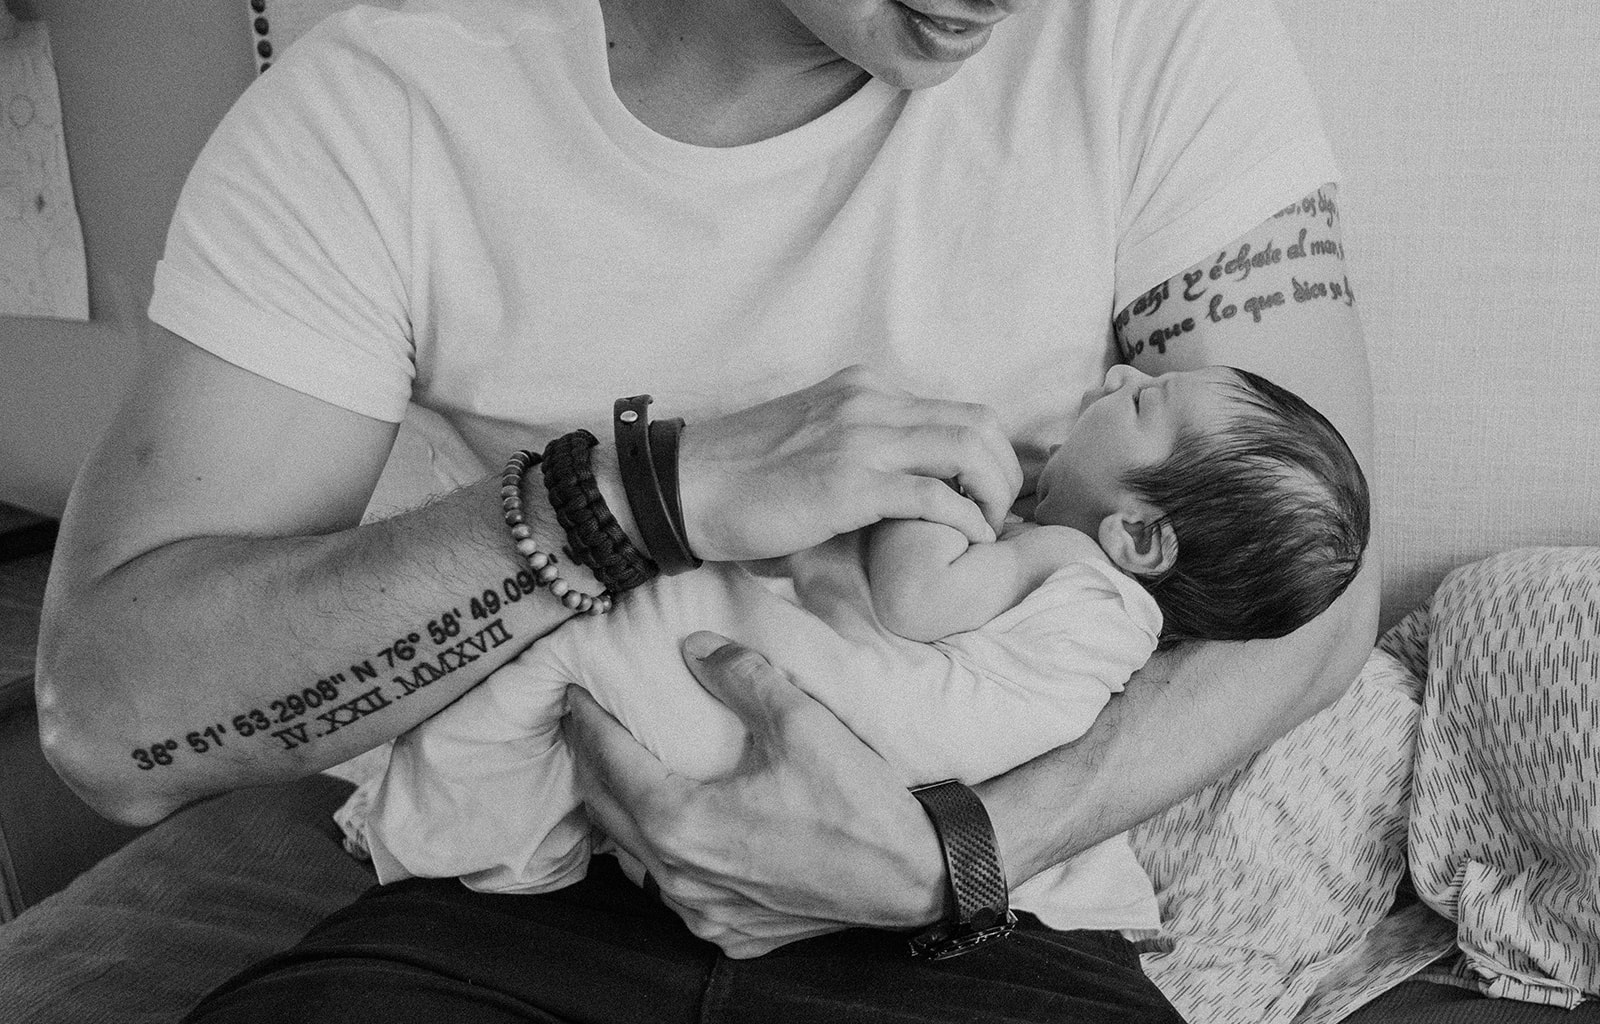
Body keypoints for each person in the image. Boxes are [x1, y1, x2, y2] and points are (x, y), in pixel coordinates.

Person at [33, 0, 1378, 1024]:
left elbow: (1319, 591)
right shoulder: (381, 114)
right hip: (525, 896)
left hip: (974, 923)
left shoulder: (1152, 38)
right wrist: (632, 499)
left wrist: (952, 854)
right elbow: (113, 718)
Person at [346, 362, 1368, 945]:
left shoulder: (1064, 560)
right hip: (896, 835)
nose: (1118, 371)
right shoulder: (1105, 609)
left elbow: (915, 603)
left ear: (1139, 539)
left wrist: (925, 487)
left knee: (615, 645)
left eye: (1144, 402)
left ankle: (442, 821)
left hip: (883, 748)